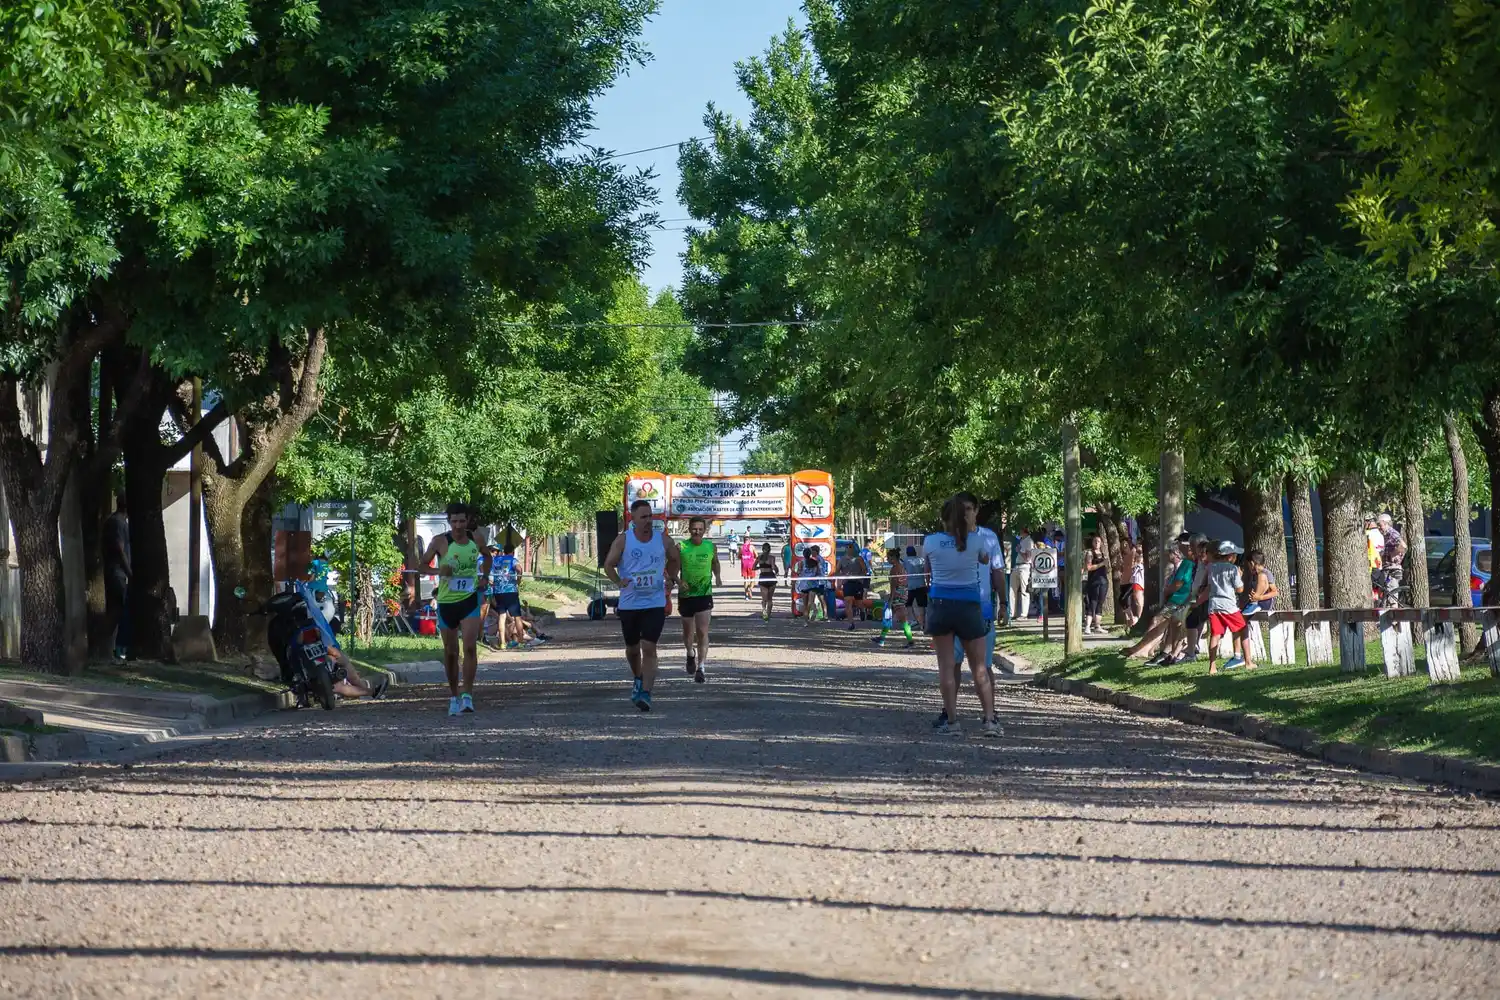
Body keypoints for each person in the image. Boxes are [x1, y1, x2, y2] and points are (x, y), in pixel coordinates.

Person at [924, 494, 999, 737]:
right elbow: (986, 559)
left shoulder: (931, 541)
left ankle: (953, 721)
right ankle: (989, 720)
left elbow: (928, 569)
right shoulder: (977, 541)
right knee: (979, 667)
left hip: (941, 604)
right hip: (969, 604)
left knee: (946, 667)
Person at [603, 499, 680, 711]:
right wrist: (619, 582)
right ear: (633, 519)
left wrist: (671, 578)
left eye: (650, 516)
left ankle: (646, 693)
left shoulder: (663, 540)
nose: (648, 521)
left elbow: (675, 558)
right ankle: (637, 678)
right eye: (643, 517)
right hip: (629, 603)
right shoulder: (623, 540)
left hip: (655, 602)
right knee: (632, 649)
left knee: (649, 646)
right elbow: (608, 565)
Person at [416, 504, 490, 716]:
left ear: (467, 522)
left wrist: (484, 577)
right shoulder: (440, 541)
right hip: (447, 602)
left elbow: (487, 556)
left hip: (470, 599)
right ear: (449, 522)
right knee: (450, 652)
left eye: (462, 521)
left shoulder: (476, 539)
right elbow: (422, 566)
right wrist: (441, 570)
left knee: (469, 648)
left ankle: (467, 695)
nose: (458, 526)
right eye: (454, 521)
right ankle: (454, 696)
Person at [291, 578, 390, 701]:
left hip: (321, 663)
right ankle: (370, 692)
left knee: (339, 684)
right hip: (328, 657)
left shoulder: (297, 633)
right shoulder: (318, 625)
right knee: (342, 676)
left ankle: (370, 691)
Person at [950, 498, 1005, 691]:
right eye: (961, 510)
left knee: (984, 664)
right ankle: (949, 713)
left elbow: (997, 571)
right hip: (954, 608)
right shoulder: (949, 539)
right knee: (952, 664)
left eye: (968, 509)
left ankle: (991, 712)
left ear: (976, 511)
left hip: (982, 608)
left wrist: (1004, 603)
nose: (965, 514)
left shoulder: (988, 537)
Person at [677, 516, 721, 683]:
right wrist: (678, 581)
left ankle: (701, 667)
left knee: (702, 632)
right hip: (686, 596)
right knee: (688, 633)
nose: (697, 531)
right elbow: (671, 569)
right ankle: (690, 653)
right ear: (689, 529)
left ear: (704, 530)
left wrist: (717, 576)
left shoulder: (710, 546)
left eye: (700, 529)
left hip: (704, 594)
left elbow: (715, 563)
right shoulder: (681, 547)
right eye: (694, 528)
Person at [1203, 540, 1248, 674]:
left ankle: (1212, 666)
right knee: (1243, 629)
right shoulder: (1232, 569)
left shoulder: (1211, 567)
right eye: (1235, 555)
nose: (1236, 558)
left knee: (1215, 635)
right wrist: (1239, 576)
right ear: (1230, 556)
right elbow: (1239, 589)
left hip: (1214, 605)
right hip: (1229, 605)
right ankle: (1248, 661)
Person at [103, 495, 131, 662]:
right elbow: (120, 550)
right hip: (117, 573)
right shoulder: (117, 523)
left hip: (118, 572)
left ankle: (109, 648)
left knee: (117, 611)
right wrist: (129, 572)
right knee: (116, 610)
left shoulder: (118, 522)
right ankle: (107, 648)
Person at [874, 547, 916, 648]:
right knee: (888, 617)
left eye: (888, 558)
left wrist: (891, 599)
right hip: (904, 593)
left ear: (893, 558)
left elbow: (894, 585)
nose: (887, 560)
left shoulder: (894, 569)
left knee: (903, 620)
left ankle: (910, 641)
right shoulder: (901, 567)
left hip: (898, 596)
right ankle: (882, 638)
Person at [488, 541, 524, 650]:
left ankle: (503, 643)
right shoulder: (513, 560)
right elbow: (519, 569)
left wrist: (493, 584)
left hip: (498, 591)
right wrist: (518, 580)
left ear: (503, 551)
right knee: (517, 616)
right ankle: (521, 641)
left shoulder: (496, 560)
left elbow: (488, 574)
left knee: (502, 616)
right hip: (510, 590)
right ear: (513, 552)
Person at [837, 545, 872, 630]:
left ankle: (862, 611)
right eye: (848, 548)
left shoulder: (859, 559)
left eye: (851, 548)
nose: (850, 550)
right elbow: (837, 571)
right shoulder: (842, 559)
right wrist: (839, 582)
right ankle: (851, 623)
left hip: (857, 583)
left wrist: (861, 577)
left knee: (858, 602)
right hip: (847, 583)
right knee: (848, 602)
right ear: (846, 550)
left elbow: (865, 570)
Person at [1377, 513, 1407, 608]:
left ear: (1386, 524)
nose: (1379, 527)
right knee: (1386, 591)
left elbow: (1403, 546)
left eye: (1380, 525)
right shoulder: (1385, 535)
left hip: (1392, 569)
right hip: (1387, 568)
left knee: (1391, 593)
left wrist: (1393, 554)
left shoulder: (1392, 533)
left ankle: (1394, 619)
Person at [1083, 533, 1109, 634]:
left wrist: (1106, 566)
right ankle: (1088, 626)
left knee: (1100, 603)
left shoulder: (1103, 553)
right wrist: (1101, 564)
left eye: (1098, 541)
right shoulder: (1090, 553)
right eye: (1095, 541)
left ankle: (1097, 625)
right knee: (1093, 602)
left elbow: (1106, 568)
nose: (1097, 543)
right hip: (1094, 581)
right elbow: (1088, 567)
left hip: (1103, 581)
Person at [1009, 527, 1036, 622]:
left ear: (1024, 531)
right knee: (1012, 590)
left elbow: (1028, 558)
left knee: (1024, 591)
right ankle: (1012, 613)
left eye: (1020, 530)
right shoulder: (1022, 540)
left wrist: (1019, 551)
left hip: (1024, 567)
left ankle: (1024, 614)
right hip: (1016, 566)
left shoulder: (1029, 541)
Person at [796, 545, 828, 624]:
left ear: (803, 555)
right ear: (810, 554)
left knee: (805, 603)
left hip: (804, 585)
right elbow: (818, 572)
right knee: (810, 602)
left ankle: (806, 620)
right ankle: (813, 613)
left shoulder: (801, 562)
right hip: (813, 584)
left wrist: (802, 574)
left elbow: (798, 573)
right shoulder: (815, 562)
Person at [902, 544, 928, 630]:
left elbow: (903, 572)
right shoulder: (921, 560)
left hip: (911, 586)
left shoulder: (906, 561)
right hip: (921, 584)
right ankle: (922, 624)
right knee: (922, 605)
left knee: (908, 604)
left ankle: (913, 620)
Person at [755, 542, 779, 620]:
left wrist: (760, 567)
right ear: (770, 549)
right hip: (771, 577)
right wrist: (776, 569)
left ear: (762, 549)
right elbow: (773, 567)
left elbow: (753, 567)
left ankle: (764, 612)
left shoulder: (759, 558)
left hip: (763, 577)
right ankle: (768, 615)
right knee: (770, 599)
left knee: (764, 599)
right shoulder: (772, 558)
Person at [1128, 542, 1146, 626]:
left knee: (1139, 600)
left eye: (1140, 553)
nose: (1139, 555)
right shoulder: (1135, 564)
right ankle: (1135, 618)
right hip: (1134, 582)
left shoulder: (1141, 565)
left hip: (1139, 583)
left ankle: (1138, 617)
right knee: (1135, 600)